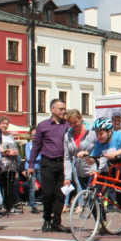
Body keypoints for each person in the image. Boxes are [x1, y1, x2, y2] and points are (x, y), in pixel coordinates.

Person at [78, 118, 121, 235]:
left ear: (109, 131)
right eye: (97, 133)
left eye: (101, 133)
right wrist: (85, 156)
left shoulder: (120, 136)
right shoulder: (100, 144)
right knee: (120, 199)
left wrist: (117, 152)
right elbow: (92, 160)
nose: (99, 136)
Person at [27, 99, 70, 233]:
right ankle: (47, 219)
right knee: (48, 193)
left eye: (64, 108)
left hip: (63, 163)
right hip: (48, 163)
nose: (63, 111)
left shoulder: (67, 125)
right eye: (60, 109)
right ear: (53, 110)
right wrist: (31, 164)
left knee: (61, 194)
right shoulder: (43, 125)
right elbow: (36, 146)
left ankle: (57, 223)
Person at [63, 110, 95, 193]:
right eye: (70, 123)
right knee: (82, 196)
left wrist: (98, 169)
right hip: (78, 172)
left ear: (81, 118)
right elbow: (67, 157)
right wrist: (68, 176)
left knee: (92, 198)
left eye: (75, 122)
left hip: (93, 170)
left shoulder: (92, 132)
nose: (73, 125)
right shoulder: (68, 135)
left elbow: (99, 150)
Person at [0, 116, 21, 213]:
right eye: (3, 123)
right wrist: (6, 152)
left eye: (7, 124)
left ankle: (9, 205)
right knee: (0, 184)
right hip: (2, 163)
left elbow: (16, 147)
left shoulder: (10, 135)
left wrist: (15, 151)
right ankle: (0, 205)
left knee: (10, 185)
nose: (5, 125)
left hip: (12, 164)